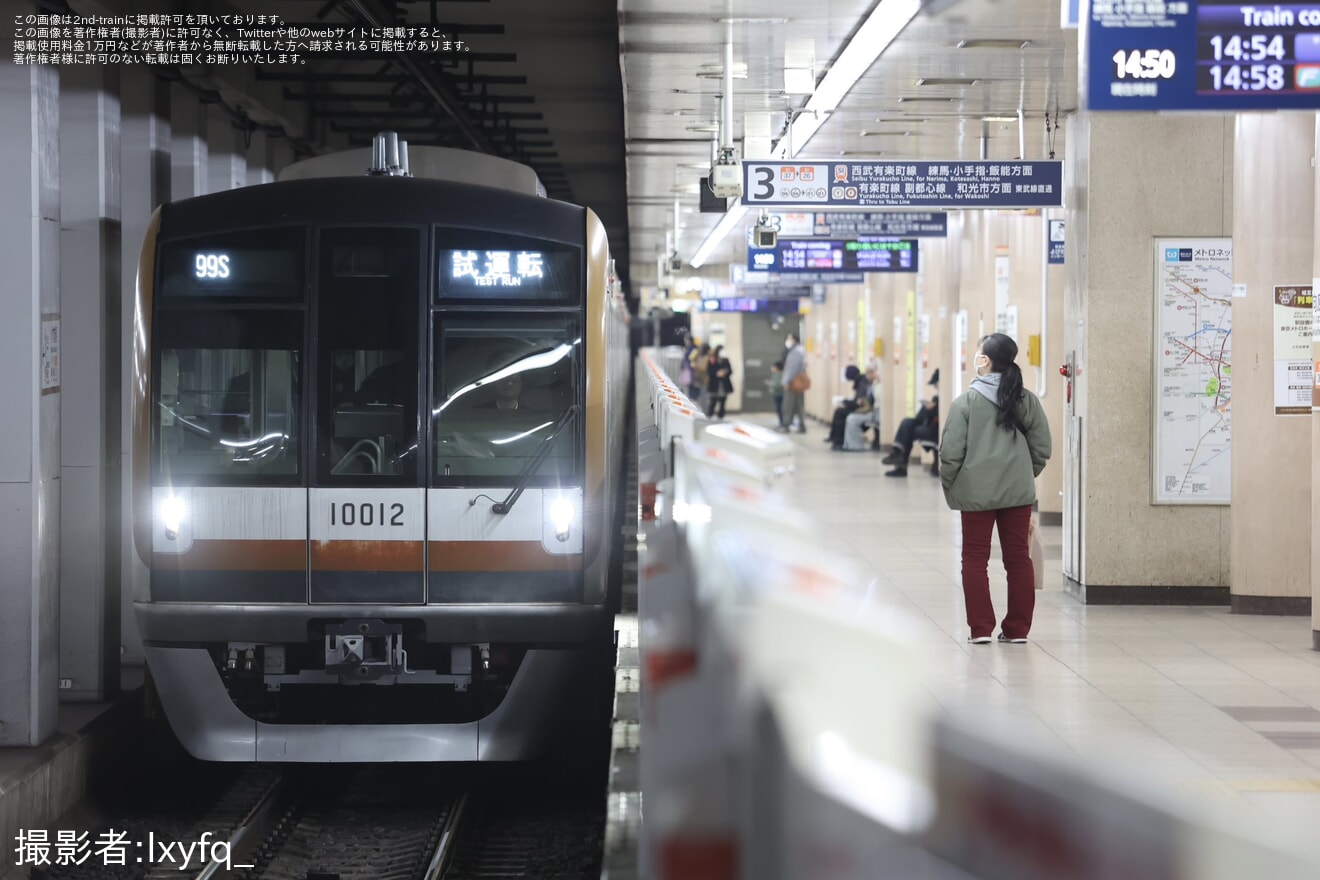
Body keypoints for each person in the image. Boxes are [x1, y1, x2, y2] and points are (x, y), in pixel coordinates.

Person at [939, 333, 1052, 645]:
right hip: (1017, 494)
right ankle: (1017, 630)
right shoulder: (1025, 399)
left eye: (978, 353)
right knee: (1018, 558)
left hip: (975, 494)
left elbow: (950, 453)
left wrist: (954, 484)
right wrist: (1023, 475)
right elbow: (1042, 445)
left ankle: (980, 629)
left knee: (974, 558)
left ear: (985, 361)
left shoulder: (965, 404)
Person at [882, 370, 940, 476]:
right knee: (907, 422)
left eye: (936, 384)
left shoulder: (948, 397)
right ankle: (897, 452)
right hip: (929, 426)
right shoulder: (936, 398)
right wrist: (928, 408)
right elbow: (920, 418)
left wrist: (933, 409)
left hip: (938, 430)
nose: (935, 388)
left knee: (909, 431)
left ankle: (899, 458)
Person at [826, 365, 871, 449]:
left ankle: (838, 440)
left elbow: (859, 401)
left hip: (862, 410)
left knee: (840, 413)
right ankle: (834, 438)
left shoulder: (862, 382)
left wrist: (846, 402)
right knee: (839, 411)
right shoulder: (861, 381)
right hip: (859, 408)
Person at [841, 366, 879, 451]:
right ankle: (849, 445)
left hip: (872, 412)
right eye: (868, 373)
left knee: (851, 419)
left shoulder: (876, 385)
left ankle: (856, 446)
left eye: (871, 372)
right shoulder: (868, 384)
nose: (869, 375)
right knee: (850, 418)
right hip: (868, 410)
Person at [778, 332, 806, 434]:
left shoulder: (795, 352)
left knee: (788, 405)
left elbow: (791, 368)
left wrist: (786, 381)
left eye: (790, 339)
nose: (788, 341)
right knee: (798, 405)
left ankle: (786, 425)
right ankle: (802, 426)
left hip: (792, 383)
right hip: (798, 382)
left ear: (795, 340)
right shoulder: (800, 351)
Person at [704, 345, 734, 419]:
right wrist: (717, 373)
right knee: (713, 402)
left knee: (723, 402)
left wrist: (725, 372)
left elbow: (730, 370)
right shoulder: (712, 360)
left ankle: (720, 416)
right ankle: (709, 415)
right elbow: (709, 371)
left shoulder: (726, 360)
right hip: (714, 384)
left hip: (724, 384)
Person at [769, 360, 785, 428]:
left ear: (777, 368)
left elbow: (778, 384)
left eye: (773, 367)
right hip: (776, 394)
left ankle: (782, 424)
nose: (772, 368)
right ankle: (781, 423)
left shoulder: (780, 374)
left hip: (780, 394)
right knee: (778, 409)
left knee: (780, 409)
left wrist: (771, 384)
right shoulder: (775, 374)